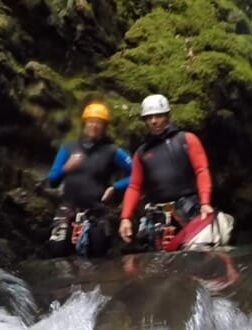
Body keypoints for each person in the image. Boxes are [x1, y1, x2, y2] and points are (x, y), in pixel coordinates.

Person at [118, 94, 214, 245]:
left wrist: (205, 203)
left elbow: (201, 170)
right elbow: (134, 187)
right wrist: (125, 217)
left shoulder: (187, 139)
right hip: (159, 219)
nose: (154, 121)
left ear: (168, 116)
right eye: (149, 117)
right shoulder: (141, 153)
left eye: (158, 116)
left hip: (189, 210)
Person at [47, 101, 133, 258]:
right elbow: (52, 180)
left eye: (99, 123)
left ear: (104, 127)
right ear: (84, 123)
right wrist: (66, 167)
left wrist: (115, 187)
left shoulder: (112, 151)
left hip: (95, 213)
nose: (94, 126)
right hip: (67, 210)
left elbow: (136, 174)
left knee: (98, 255)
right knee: (57, 251)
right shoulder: (68, 147)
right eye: (91, 121)